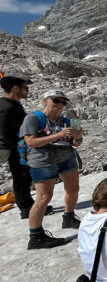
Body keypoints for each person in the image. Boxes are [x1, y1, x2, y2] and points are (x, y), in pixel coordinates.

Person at [20, 90, 83, 249]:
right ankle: (35, 236)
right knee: (44, 197)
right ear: (45, 101)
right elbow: (31, 142)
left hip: (66, 157)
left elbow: (76, 144)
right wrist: (58, 135)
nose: (60, 105)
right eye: (56, 100)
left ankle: (69, 218)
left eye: (63, 102)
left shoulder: (67, 121)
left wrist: (78, 136)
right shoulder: (33, 118)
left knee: (73, 189)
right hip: (43, 161)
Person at [0, 76, 53, 219]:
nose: (28, 91)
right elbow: (4, 132)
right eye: (26, 88)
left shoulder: (12, 104)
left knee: (24, 177)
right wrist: (20, 148)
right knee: (21, 178)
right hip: (17, 149)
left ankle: (31, 206)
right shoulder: (6, 107)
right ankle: (27, 209)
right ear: (16, 88)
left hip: (20, 148)